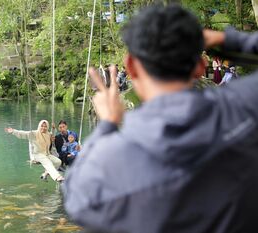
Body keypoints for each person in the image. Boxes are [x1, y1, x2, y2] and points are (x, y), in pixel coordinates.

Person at [63, 4, 258, 233]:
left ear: (132, 68)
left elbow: (76, 198)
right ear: (200, 66)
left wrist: (108, 123)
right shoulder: (247, 106)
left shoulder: (111, 159)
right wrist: (226, 40)